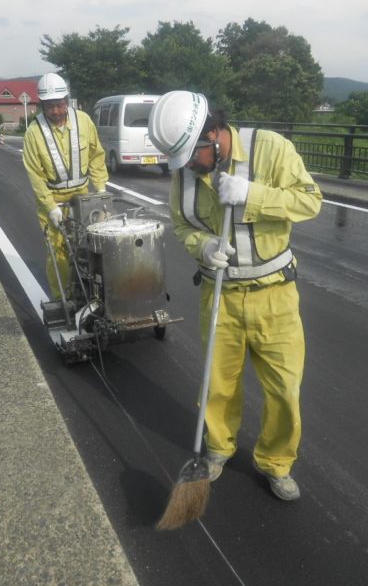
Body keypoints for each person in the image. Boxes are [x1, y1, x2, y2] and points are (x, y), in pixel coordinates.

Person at [148, 91, 323, 501]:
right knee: (217, 383)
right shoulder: (185, 174)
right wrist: (204, 246)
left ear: (214, 133)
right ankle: (217, 448)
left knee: (283, 389)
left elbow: (310, 201)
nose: (190, 166)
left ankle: (276, 463)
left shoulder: (270, 148)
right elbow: (182, 226)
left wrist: (252, 195)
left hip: (274, 295)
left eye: (194, 155)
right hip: (220, 294)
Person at [22, 73, 108, 299]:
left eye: (59, 105)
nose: (56, 111)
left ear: (67, 101)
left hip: (83, 197)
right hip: (51, 199)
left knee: (91, 248)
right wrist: (51, 208)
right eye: (50, 106)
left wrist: (100, 191)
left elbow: (96, 155)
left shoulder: (84, 121)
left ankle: (92, 294)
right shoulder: (34, 133)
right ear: (42, 106)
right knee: (59, 255)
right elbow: (35, 175)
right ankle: (63, 301)